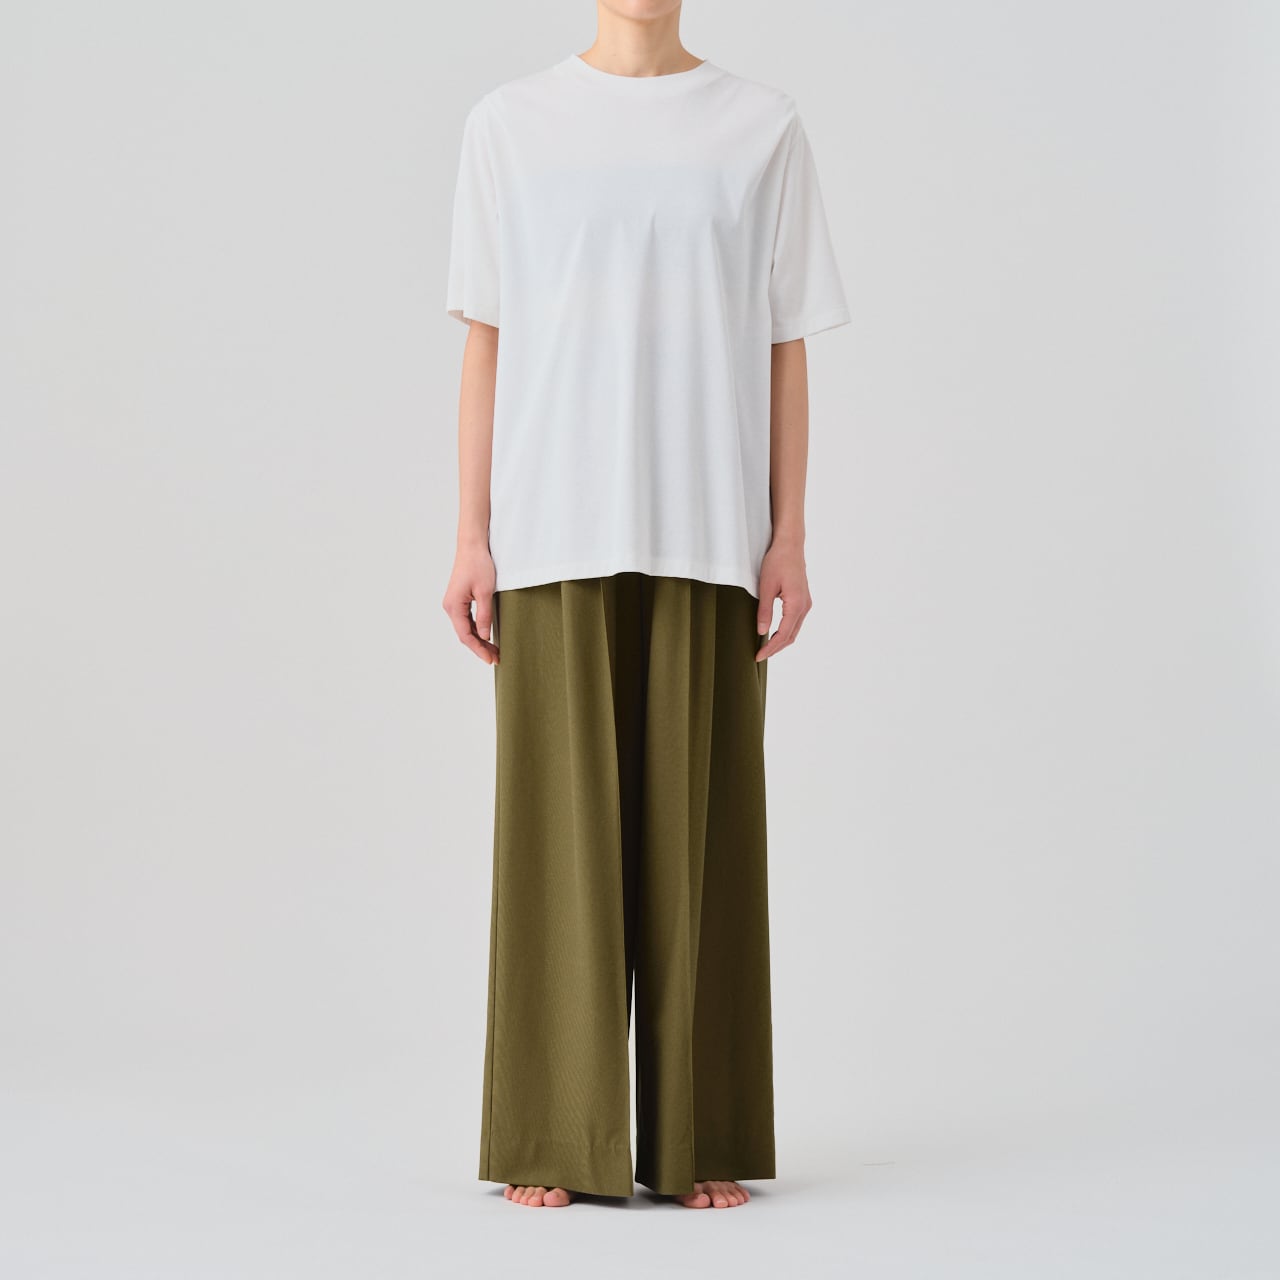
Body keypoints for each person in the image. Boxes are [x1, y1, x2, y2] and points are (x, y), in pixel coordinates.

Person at [442, 2, 849, 1210]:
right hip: (551, 527)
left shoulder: (759, 125)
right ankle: (553, 1134)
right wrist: (470, 533)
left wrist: (787, 532)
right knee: (555, 849)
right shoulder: (509, 123)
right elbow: (485, 339)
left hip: (707, 525)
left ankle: (696, 1129)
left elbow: (784, 342)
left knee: (701, 843)